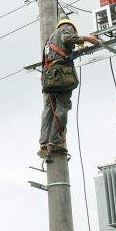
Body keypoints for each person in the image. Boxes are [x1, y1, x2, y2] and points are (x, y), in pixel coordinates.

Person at [38, 17, 99, 158]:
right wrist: (88, 38)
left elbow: (58, 54)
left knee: (48, 108)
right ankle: (55, 141)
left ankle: (44, 142)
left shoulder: (50, 39)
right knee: (62, 106)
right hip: (60, 75)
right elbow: (67, 38)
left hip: (49, 77)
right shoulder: (66, 28)